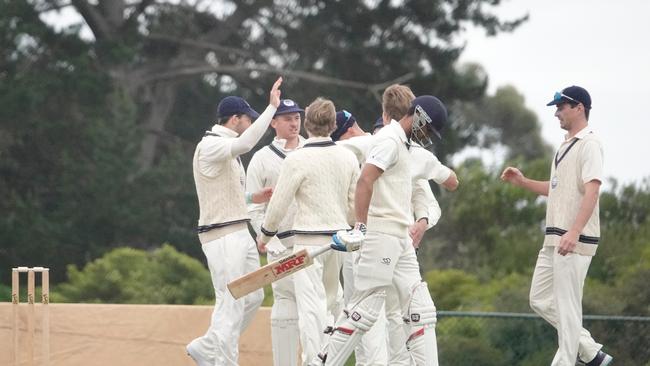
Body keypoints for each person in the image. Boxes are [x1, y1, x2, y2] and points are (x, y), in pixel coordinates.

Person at [313, 94, 449, 366]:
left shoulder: (411, 151)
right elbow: (363, 176)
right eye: (428, 128)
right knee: (364, 310)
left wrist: (423, 218)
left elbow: (441, 187)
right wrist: (360, 226)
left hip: (400, 240)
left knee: (421, 309)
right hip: (377, 235)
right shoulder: (385, 140)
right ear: (418, 116)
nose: (427, 135)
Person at [501, 85, 612, 366]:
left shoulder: (590, 144)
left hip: (573, 239)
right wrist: (523, 182)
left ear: (579, 108)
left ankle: (567, 361)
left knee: (568, 307)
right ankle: (590, 353)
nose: (557, 113)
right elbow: (556, 189)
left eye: (561, 107)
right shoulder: (565, 145)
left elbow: (593, 191)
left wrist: (574, 232)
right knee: (539, 299)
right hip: (553, 239)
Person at [186, 77, 282, 366]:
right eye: (247, 119)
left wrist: (255, 198)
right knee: (231, 302)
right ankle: (223, 361)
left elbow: (229, 194)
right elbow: (246, 143)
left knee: (251, 298)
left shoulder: (225, 147)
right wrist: (271, 108)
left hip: (238, 232)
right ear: (235, 119)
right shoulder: (211, 145)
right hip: (221, 235)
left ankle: (207, 346)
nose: (248, 123)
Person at [258, 97, 360, 365]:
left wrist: (265, 235)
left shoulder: (298, 159)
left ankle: (315, 361)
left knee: (311, 309)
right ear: (333, 124)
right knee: (331, 303)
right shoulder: (347, 156)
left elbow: (279, 204)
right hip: (337, 241)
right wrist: (342, 222)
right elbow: (354, 204)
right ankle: (328, 359)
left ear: (308, 125)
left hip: (307, 243)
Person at [246, 98, 305, 366]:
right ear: (273, 122)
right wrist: (267, 240)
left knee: (321, 305)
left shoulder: (312, 149)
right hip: (280, 244)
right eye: (287, 118)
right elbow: (252, 207)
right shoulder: (261, 158)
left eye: (297, 117)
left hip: (313, 241)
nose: (294, 123)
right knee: (284, 301)